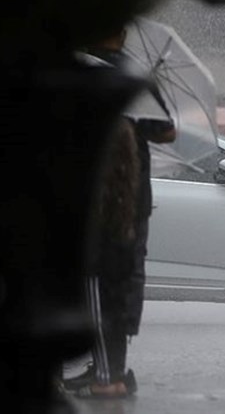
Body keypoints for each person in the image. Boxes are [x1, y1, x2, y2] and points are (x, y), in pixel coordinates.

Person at [64, 29, 176, 395]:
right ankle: (109, 368)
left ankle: (106, 374)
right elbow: (167, 132)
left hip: (97, 196)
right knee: (122, 282)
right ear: (124, 33)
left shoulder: (82, 75)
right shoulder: (135, 76)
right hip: (131, 196)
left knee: (97, 281)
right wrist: (137, 117)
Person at [71, 117, 140, 398]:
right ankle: (114, 374)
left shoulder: (98, 174)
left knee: (98, 316)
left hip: (97, 257)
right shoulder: (124, 171)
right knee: (115, 313)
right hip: (118, 250)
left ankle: (105, 378)